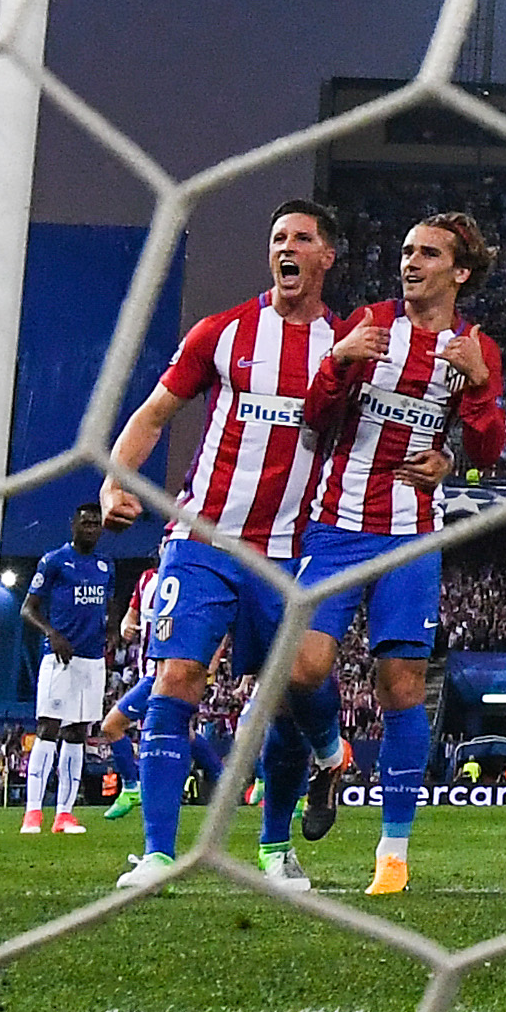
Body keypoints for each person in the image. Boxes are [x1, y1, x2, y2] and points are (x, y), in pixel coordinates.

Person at [100, 199, 373, 893]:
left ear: (325, 257)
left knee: (280, 694)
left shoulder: (346, 349)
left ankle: (276, 850)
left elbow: (381, 438)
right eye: (278, 236)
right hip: (202, 536)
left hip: (289, 550)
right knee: (177, 678)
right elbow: (155, 412)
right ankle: (159, 854)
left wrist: (434, 463)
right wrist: (115, 480)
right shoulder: (221, 334)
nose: (287, 247)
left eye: (302, 238)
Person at [279, 211, 506, 895]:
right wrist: (337, 363)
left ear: (459, 272)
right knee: (301, 669)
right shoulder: (370, 321)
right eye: (406, 250)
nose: (410, 262)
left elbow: (488, 453)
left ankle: (393, 851)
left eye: (427, 254)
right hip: (337, 525)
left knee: (400, 687)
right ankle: (330, 754)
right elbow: (317, 421)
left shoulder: (475, 347)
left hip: (413, 531)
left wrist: (479, 390)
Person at [101, 562, 228, 822]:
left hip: (162, 674)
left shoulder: (192, 580)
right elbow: (131, 615)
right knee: (185, 733)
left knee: (112, 726)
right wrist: (127, 625)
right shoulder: (146, 579)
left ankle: (131, 787)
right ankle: (224, 780)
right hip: (145, 670)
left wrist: (213, 659)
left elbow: (220, 621)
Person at [18, 503, 115, 835]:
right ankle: (33, 812)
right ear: (73, 524)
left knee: (76, 733)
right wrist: (52, 633)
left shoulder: (106, 565)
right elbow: (27, 609)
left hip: (92, 660)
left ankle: (64, 814)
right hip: (60, 658)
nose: (90, 528)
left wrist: (111, 632)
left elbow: (107, 603)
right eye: (85, 522)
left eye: (95, 524)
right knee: (48, 728)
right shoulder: (55, 561)